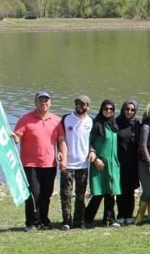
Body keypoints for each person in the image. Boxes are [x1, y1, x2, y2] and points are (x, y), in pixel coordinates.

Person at [13, 91, 61, 232]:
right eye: (40, 100)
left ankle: (44, 221)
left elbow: (61, 140)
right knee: (34, 194)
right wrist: (13, 138)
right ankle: (31, 223)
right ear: (35, 102)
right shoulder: (26, 119)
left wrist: (62, 154)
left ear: (50, 103)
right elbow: (17, 137)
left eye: (46, 100)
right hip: (30, 164)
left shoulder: (56, 120)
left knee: (46, 194)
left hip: (49, 164)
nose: (43, 103)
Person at [57, 95, 93, 230]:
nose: (79, 106)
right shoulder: (66, 119)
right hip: (68, 163)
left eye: (83, 104)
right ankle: (67, 221)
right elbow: (60, 138)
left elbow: (91, 141)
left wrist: (92, 151)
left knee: (81, 195)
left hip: (83, 165)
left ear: (88, 107)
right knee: (66, 194)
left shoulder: (91, 121)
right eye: (77, 103)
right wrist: (60, 154)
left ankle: (79, 221)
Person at [84, 100, 122, 228]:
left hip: (113, 163)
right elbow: (88, 143)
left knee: (111, 192)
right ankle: (87, 218)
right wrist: (95, 159)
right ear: (101, 109)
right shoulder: (96, 124)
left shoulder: (114, 125)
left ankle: (109, 219)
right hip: (100, 163)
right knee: (99, 192)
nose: (108, 111)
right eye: (106, 109)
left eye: (111, 109)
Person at [115, 100, 141, 225]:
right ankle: (120, 214)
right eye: (127, 109)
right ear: (123, 109)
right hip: (119, 161)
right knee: (121, 190)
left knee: (130, 190)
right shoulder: (116, 122)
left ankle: (129, 215)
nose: (129, 112)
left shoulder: (137, 124)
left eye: (132, 110)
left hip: (133, 162)